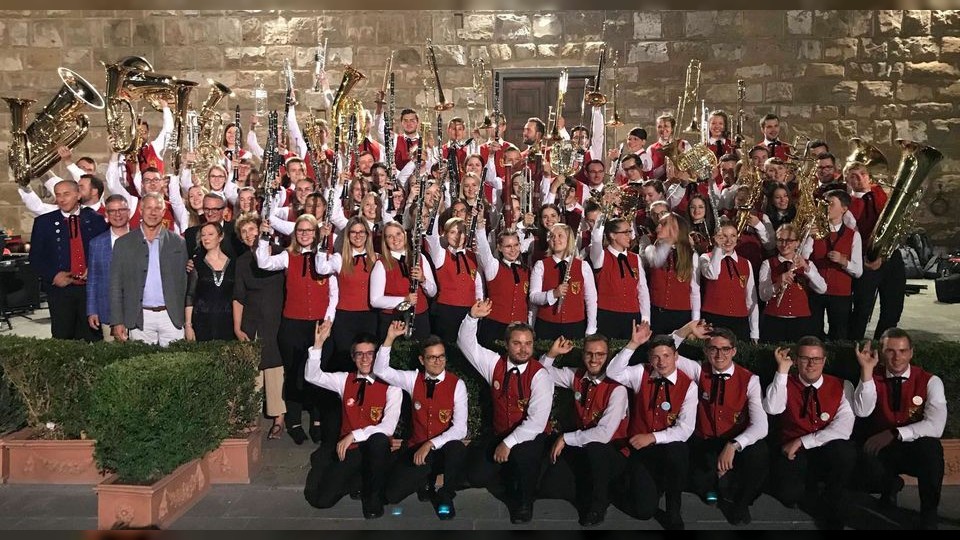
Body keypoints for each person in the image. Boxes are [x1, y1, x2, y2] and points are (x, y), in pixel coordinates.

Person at [457, 300, 553, 524]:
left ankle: (524, 503)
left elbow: (537, 423)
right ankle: (507, 475)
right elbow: (466, 344)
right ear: (507, 345)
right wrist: (472, 317)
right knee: (475, 475)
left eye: (528, 343)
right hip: (500, 432)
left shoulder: (540, 375)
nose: (523, 349)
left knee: (524, 458)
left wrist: (508, 443)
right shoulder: (495, 363)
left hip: (530, 437)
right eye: (517, 343)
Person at [671, 321, 769, 526]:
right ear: (706, 351)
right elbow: (667, 351)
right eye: (713, 349)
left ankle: (740, 504)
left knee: (759, 453)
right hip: (705, 441)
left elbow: (761, 426)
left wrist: (734, 445)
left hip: (734, 442)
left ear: (734, 351)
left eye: (725, 349)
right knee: (703, 486)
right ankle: (713, 487)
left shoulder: (750, 379)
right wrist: (687, 329)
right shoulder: (699, 370)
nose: (719, 354)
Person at [303, 323, 401, 519]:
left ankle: (372, 499)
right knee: (321, 500)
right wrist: (318, 344)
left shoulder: (392, 386)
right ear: (353, 357)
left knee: (379, 440)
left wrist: (354, 435)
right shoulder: (344, 380)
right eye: (359, 354)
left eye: (370, 353)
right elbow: (312, 376)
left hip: (375, 449)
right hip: (350, 451)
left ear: (377, 356)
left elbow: (388, 427)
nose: (365, 358)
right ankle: (359, 481)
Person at [605, 322, 697, 530]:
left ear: (675, 357)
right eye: (656, 356)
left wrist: (654, 437)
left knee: (679, 450)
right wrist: (633, 343)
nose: (661, 362)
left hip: (667, 448)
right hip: (641, 451)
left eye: (666, 356)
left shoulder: (688, 385)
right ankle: (634, 488)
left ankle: (674, 508)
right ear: (649, 359)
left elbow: (685, 429)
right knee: (643, 512)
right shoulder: (641, 373)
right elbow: (613, 373)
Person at [257, 214, 339, 445]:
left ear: (316, 233)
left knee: (318, 374)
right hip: (292, 324)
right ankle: (293, 421)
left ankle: (316, 420)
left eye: (308, 230)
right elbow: (263, 262)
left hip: (318, 326)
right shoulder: (287, 256)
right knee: (293, 374)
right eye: (300, 230)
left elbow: (333, 294)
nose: (304, 234)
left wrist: (328, 320)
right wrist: (264, 237)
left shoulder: (325, 257)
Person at [852, 328, 946, 529]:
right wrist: (866, 372)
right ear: (881, 353)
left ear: (912, 352)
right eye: (890, 351)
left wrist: (895, 433)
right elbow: (862, 411)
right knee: (859, 472)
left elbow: (936, 426)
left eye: (903, 351)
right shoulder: (871, 376)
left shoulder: (930, 381)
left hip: (912, 447)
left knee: (932, 449)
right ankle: (889, 486)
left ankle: (929, 515)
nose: (897, 357)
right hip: (879, 448)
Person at [376, 323, 469, 520]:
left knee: (457, 448)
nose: (437, 362)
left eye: (441, 356)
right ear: (422, 360)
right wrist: (389, 339)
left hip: (441, 448)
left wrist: (430, 444)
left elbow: (461, 429)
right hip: (417, 448)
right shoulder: (412, 379)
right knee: (392, 495)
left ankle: (445, 493)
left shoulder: (457, 384)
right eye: (432, 357)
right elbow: (382, 371)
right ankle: (426, 480)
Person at [763, 336, 857, 529]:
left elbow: (843, 428)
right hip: (792, 452)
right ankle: (809, 489)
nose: (811, 363)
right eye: (805, 358)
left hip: (825, 447)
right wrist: (782, 371)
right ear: (796, 360)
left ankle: (833, 497)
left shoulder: (842, 385)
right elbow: (772, 408)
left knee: (845, 452)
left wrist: (803, 441)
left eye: (816, 359)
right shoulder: (784, 382)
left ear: (824, 360)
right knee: (789, 496)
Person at [537, 334, 630, 527]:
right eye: (589, 354)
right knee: (550, 488)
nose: (594, 359)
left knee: (597, 449)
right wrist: (552, 354)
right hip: (583, 446)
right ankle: (590, 487)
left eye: (600, 354)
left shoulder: (617, 388)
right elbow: (541, 373)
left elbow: (604, 434)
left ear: (609, 356)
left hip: (611, 452)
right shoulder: (577, 376)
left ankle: (599, 504)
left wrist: (565, 438)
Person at [29, 180, 109, 341]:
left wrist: (94, 270)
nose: (61, 199)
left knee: (91, 336)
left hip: (89, 291)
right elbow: (35, 258)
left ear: (78, 195)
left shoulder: (96, 220)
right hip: (60, 292)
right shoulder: (44, 223)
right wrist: (53, 276)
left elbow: (106, 252)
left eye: (66, 194)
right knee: (62, 337)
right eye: (58, 195)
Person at [232, 215, 286, 440]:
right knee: (253, 369)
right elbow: (238, 296)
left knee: (275, 368)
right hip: (251, 320)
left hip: (276, 319)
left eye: (252, 229)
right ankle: (251, 415)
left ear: (261, 230)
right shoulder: (242, 261)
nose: (248, 235)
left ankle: (278, 418)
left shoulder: (279, 253)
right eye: (243, 232)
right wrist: (237, 326)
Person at [109, 193, 188, 346]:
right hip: (139, 317)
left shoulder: (178, 243)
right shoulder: (123, 244)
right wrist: (117, 321)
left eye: (157, 208)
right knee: (142, 366)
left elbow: (184, 281)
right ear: (140, 210)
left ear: (164, 212)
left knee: (176, 366)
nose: (153, 213)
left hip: (171, 317)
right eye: (149, 208)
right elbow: (116, 285)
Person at [315, 217, 379, 364]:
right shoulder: (339, 258)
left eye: (362, 232)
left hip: (370, 317)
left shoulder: (375, 258)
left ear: (367, 235)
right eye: (353, 232)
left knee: (368, 360)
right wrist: (322, 243)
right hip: (345, 318)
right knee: (346, 360)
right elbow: (321, 268)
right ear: (347, 235)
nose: (358, 236)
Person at [801, 189, 862, 341]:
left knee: (839, 333)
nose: (826, 207)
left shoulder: (853, 235)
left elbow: (858, 271)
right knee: (813, 332)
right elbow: (803, 258)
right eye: (825, 203)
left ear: (844, 208)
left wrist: (843, 261)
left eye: (831, 204)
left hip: (841, 293)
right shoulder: (815, 230)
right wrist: (809, 236)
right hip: (815, 289)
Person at [758, 223, 828, 343]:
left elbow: (822, 289)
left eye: (789, 240)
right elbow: (763, 296)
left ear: (797, 243)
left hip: (801, 322)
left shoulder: (807, 264)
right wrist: (778, 282)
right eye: (780, 240)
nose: (785, 244)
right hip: (775, 321)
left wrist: (806, 268)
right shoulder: (767, 264)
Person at [529, 223, 597, 340]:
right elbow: (533, 297)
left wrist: (591, 328)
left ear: (569, 239)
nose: (555, 239)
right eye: (552, 236)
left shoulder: (583, 266)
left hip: (575, 326)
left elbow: (591, 299)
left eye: (560, 235)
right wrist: (553, 294)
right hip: (547, 325)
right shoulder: (541, 265)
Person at [589, 217, 650, 339]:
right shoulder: (601, 257)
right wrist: (603, 214)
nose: (630, 236)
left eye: (630, 231)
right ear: (613, 235)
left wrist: (645, 319)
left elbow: (642, 290)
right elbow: (596, 240)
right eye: (625, 232)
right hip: (608, 316)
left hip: (633, 316)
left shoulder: (635, 258)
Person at [699, 221, 759, 342]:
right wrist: (717, 248)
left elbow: (751, 299)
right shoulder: (706, 258)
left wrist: (754, 331)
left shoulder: (745, 263)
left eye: (733, 236)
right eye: (723, 236)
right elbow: (712, 274)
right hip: (714, 318)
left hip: (739, 320)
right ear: (716, 237)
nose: (728, 240)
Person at [643, 212, 701, 335]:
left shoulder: (692, 256)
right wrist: (669, 240)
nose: (658, 228)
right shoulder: (651, 250)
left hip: (681, 316)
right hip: (656, 313)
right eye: (659, 224)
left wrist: (695, 322)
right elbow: (657, 261)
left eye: (664, 224)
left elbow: (694, 291)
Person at [425, 216, 481, 342]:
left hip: (469, 311)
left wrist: (479, 304)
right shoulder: (441, 254)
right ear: (444, 234)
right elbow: (432, 238)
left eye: (461, 232)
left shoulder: (473, 256)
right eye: (452, 232)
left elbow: (477, 284)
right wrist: (436, 212)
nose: (457, 236)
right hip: (446, 310)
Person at [473, 227, 531, 348]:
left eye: (516, 245)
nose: (513, 250)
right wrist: (479, 227)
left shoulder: (526, 270)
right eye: (508, 246)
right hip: (495, 325)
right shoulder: (493, 266)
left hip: (519, 328)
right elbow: (484, 249)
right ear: (499, 248)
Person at [86, 195, 131, 340]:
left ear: (128, 212)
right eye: (112, 211)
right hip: (108, 311)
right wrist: (92, 310)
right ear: (106, 214)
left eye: (122, 210)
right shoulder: (96, 243)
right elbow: (93, 279)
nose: (117, 214)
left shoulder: (142, 239)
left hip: (139, 311)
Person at [185, 222, 235, 342]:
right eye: (203, 235)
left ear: (220, 237)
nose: (206, 238)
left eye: (210, 234)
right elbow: (190, 295)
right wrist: (188, 325)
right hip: (202, 321)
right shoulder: (197, 263)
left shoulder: (233, 263)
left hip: (227, 321)